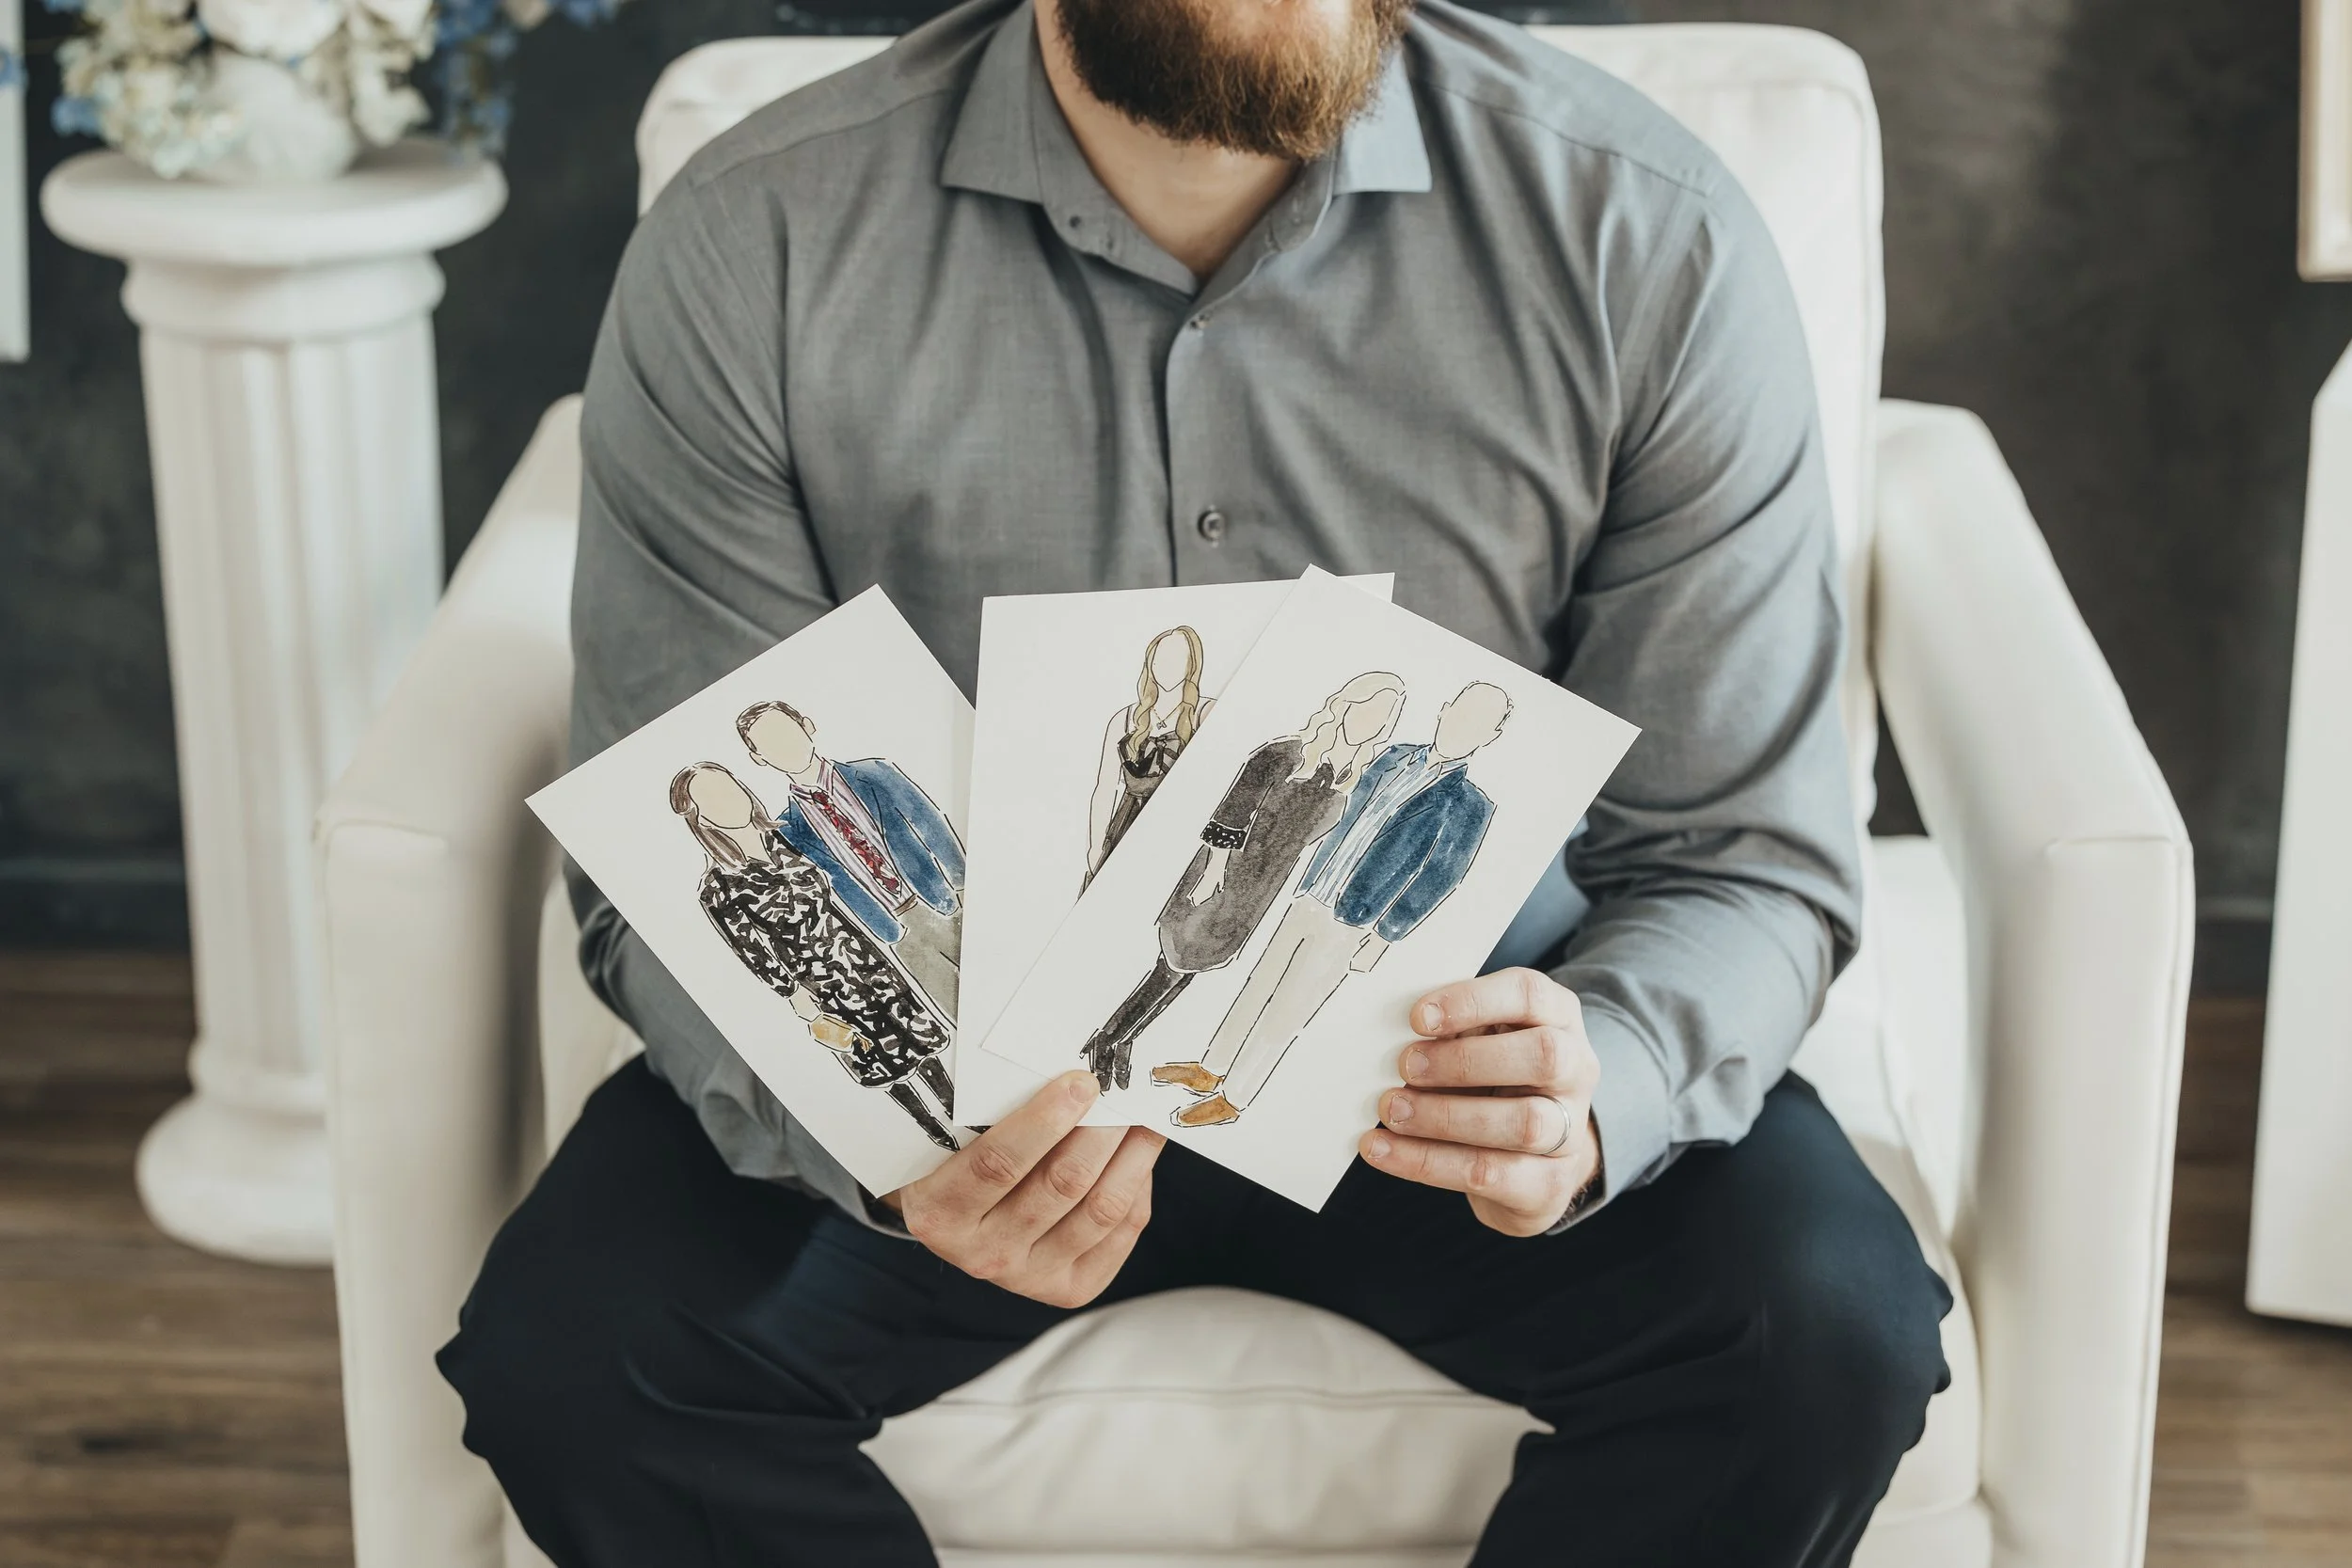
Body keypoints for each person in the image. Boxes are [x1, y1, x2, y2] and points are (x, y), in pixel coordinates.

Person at [438, 2, 1955, 1564]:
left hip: (1454, 1065)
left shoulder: (1649, 235)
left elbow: (1746, 855)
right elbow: (665, 882)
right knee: (577, 1358)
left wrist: (1599, 1080)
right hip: (965, 1099)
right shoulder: (752, 243)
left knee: (1826, 1338)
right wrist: (886, 1151)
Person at [1156, 679, 1507, 1128]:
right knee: (1260, 984)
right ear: (1444, 709)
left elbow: (1439, 879)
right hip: (1313, 891)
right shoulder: (1393, 755)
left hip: (1356, 920)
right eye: (1460, 711)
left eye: (1478, 723)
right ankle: (1212, 1069)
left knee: (1290, 1008)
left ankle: (1236, 1097)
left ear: (1489, 737)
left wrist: (1385, 936)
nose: (1462, 725)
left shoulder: (1470, 805)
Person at [1080, 671, 1404, 1090]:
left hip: (1260, 889)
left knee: (1195, 967)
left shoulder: (1349, 780)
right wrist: (1212, 873)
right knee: (1173, 960)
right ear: (1345, 705)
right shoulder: (1284, 754)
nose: (1373, 724)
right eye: (1370, 711)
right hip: (1224, 871)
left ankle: (1125, 1037)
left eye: (1384, 718)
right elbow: (1231, 811)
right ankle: (1107, 1037)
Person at [670, 762, 959, 1149]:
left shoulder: (782, 842)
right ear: (699, 818)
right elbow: (752, 951)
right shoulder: (718, 886)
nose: (729, 798)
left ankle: (956, 1107)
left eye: (729, 785)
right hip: (819, 981)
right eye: (711, 797)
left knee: (914, 1034)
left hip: (861, 956)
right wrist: (794, 994)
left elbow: (833, 902)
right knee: (873, 1055)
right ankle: (929, 1128)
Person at [737, 699, 966, 1018]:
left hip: (944, 900)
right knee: (961, 1012)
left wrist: (963, 886)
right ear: (758, 758)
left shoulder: (874, 772)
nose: (783, 747)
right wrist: (887, 934)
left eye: (785, 732)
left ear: (807, 725)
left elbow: (932, 824)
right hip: (897, 931)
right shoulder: (786, 829)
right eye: (769, 744)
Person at [1084, 624, 1210, 889]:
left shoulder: (1206, 713)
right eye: (1160, 658)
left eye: (1177, 659)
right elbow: (1104, 788)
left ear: (1192, 664)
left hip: (1179, 830)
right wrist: (1095, 846)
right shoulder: (1124, 718)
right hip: (1125, 829)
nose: (1166, 665)